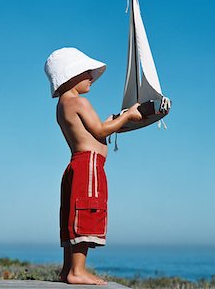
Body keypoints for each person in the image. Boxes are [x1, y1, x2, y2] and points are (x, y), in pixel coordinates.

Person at [44, 47, 142, 285]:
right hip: (89, 165)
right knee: (87, 212)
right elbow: (99, 131)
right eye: (85, 71)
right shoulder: (79, 102)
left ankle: (68, 268)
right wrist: (127, 117)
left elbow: (94, 130)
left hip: (75, 165)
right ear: (70, 76)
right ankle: (77, 271)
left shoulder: (62, 106)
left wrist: (112, 123)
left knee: (72, 215)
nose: (91, 77)